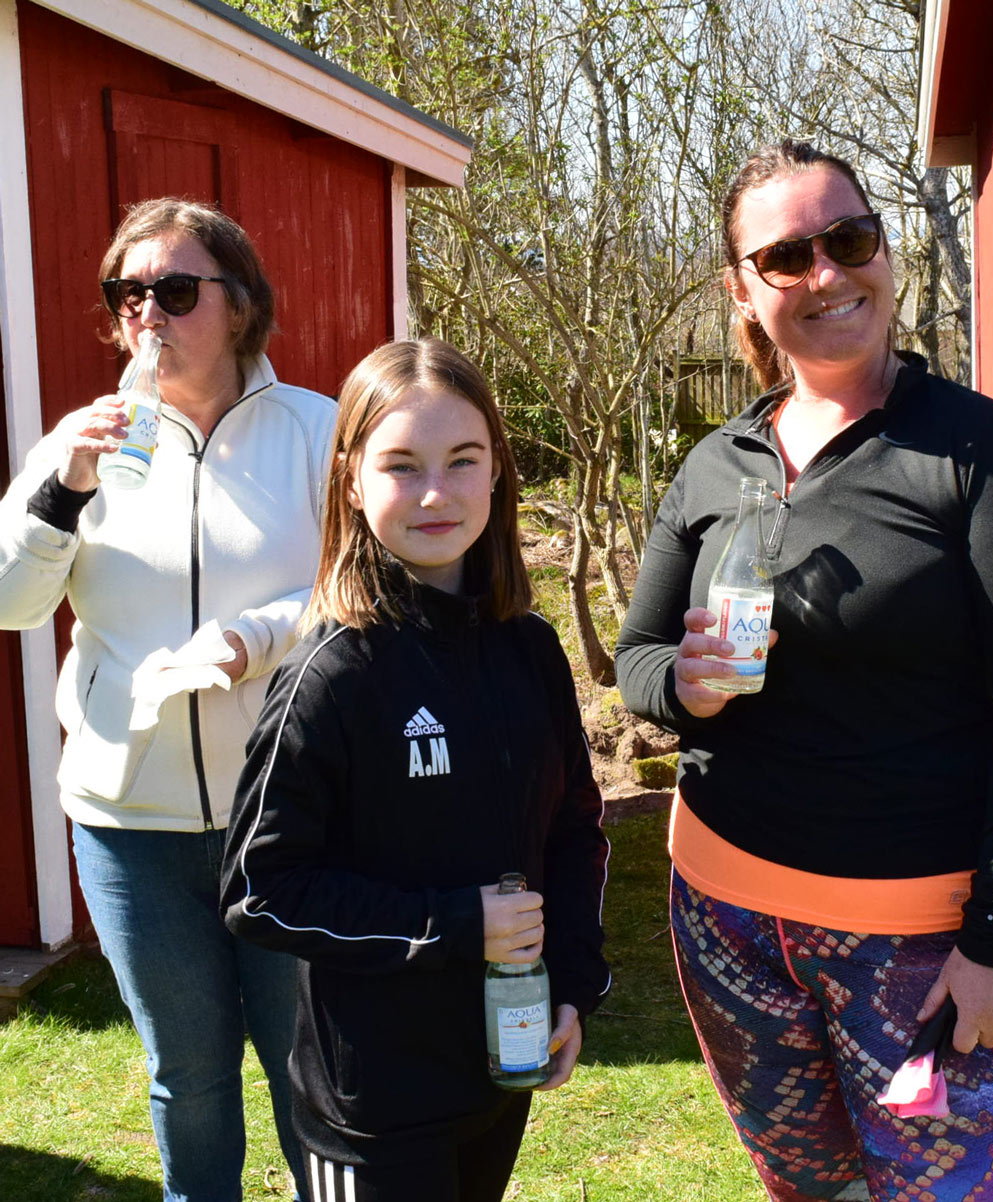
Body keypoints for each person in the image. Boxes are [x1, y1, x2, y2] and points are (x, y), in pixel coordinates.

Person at [615, 140, 993, 1202]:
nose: (828, 272)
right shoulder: (717, 463)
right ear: (742, 290)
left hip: (912, 945)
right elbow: (639, 659)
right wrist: (685, 685)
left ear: (885, 248)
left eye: (850, 237)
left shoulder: (979, 454)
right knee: (810, 1189)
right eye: (788, 256)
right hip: (726, 921)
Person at [0, 198, 337, 1201]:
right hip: (129, 827)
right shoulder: (81, 442)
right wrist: (64, 490)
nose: (148, 312)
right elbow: (12, 602)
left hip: (287, 818)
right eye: (128, 294)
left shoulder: (317, 430)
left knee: (309, 1067)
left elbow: (357, 589)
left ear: (240, 306)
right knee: (187, 1077)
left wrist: (256, 637)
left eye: (177, 290)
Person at [220, 338, 610, 1202]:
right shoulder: (331, 674)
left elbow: (573, 831)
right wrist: (454, 925)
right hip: (373, 1109)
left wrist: (572, 986)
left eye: (463, 459)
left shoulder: (530, 649)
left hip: (500, 1071)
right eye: (401, 465)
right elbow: (261, 889)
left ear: (498, 470)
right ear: (351, 482)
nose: (436, 493)